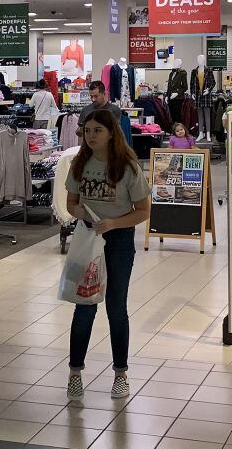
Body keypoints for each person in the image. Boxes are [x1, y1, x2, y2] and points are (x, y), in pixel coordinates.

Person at [66, 109, 151, 402]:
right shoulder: (80, 163)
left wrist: (113, 223)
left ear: (111, 132)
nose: (91, 136)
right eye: (87, 130)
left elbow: (143, 211)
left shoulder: (128, 167)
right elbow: (71, 202)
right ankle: (75, 373)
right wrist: (81, 214)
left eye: (97, 131)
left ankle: (121, 373)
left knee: (116, 307)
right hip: (88, 239)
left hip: (118, 241)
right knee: (85, 306)